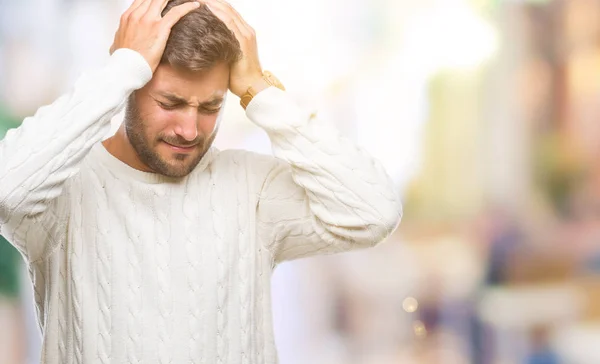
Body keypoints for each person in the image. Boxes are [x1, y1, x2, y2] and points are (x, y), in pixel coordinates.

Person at [0, 0, 402, 362]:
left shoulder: (251, 189)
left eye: (210, 106)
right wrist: (119, 69)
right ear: (130, 86)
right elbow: (6, 188)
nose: (190, 129)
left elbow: (375, 212)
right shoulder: (62, 193)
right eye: (169, 103)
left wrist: (260, 92)